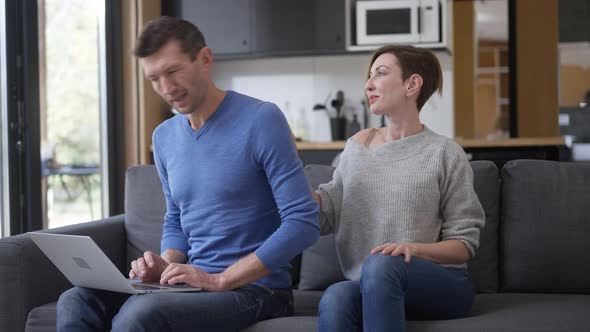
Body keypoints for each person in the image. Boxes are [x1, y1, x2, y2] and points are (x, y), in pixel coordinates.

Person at [56, 16, 320, 331]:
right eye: (154, 78)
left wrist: (220, 279)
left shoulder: (262, 120)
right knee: (76, 300)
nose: (166, 89)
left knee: (141, 315)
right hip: (192, 285)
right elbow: (177, 217)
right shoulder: (163, 137)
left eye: (173, 71)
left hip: (257, 289)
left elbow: (303, 223)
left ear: (204, 59)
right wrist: (165, 263)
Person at [313, 45, 485, 332]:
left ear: (412, 84)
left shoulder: (444, 153)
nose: (368, 84)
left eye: (380, 73)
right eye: (369, 76)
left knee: (382, 264)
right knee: (336, 296)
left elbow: (463, 246)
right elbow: (326, 215)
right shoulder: (358, 146)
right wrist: (287, 179)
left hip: (442, 285)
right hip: (373, 283)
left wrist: (412, 250)